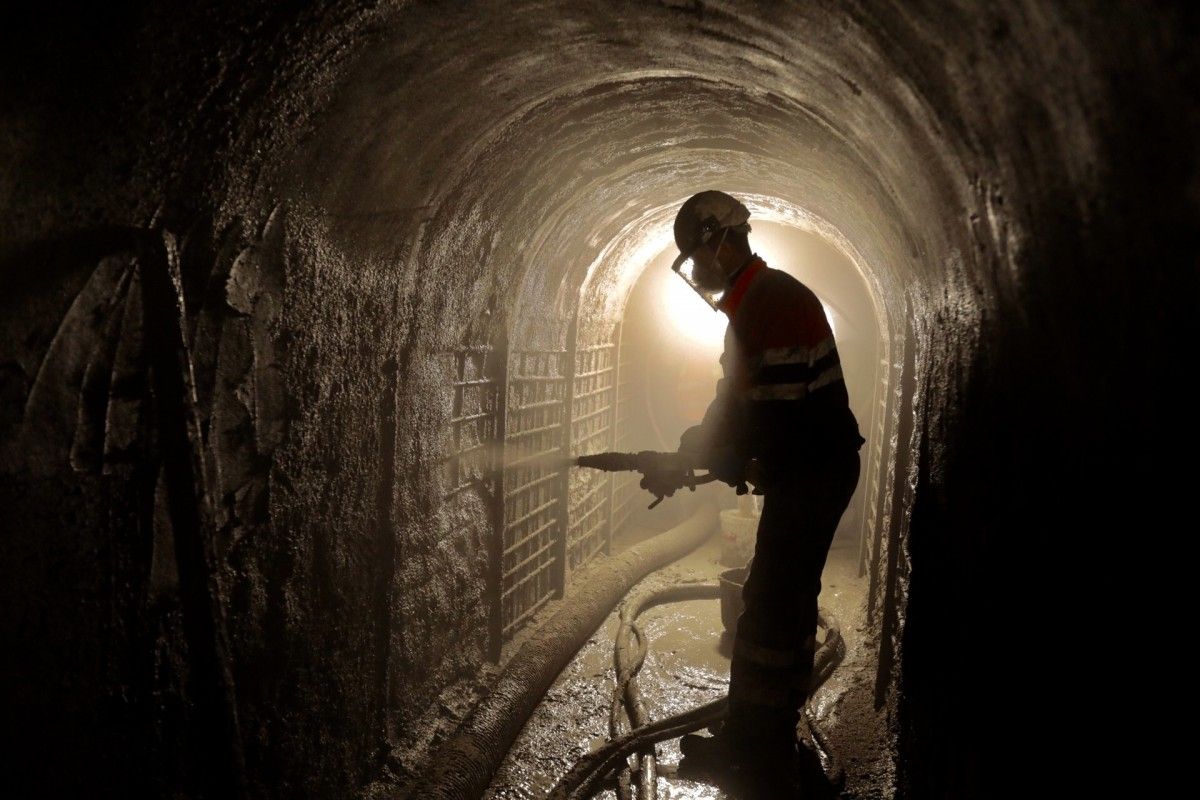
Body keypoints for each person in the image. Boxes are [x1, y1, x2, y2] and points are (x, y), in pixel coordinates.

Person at [666, 190, 865, 796]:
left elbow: (776, 420)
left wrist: (729, 457)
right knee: (774, 596)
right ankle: (758, 733)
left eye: (698, 256)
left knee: (775, 602)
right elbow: (736, 397)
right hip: (806, 468)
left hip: (814, 473)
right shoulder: (752, 305)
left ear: (723, 240)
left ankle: (761, 745)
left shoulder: (773, 303)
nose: (698, 272)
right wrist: (699, 443)